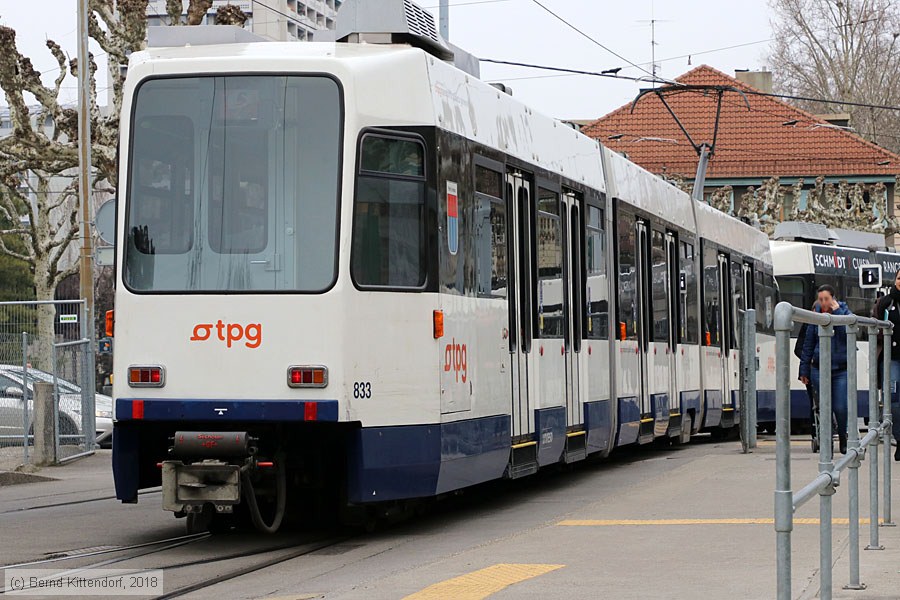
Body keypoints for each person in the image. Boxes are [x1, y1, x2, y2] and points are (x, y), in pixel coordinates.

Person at [799, 285, 851, 454]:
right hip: (818, 368)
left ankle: (843, 436)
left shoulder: (844, 312)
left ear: (833, 298)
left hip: (840, 369)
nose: (823, 303)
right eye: (820, 299)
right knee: (823, 406)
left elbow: (847, 335)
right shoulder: (816, 316)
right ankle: (827, 441)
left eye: (826, 299)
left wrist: (837, 314)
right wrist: (804, 370)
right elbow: (808, 344)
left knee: (841, 407)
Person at [873, 271, 900, 461]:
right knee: (894, 401)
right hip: (892, 358)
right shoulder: (886, 302)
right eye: (899, 278)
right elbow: (875, 327)